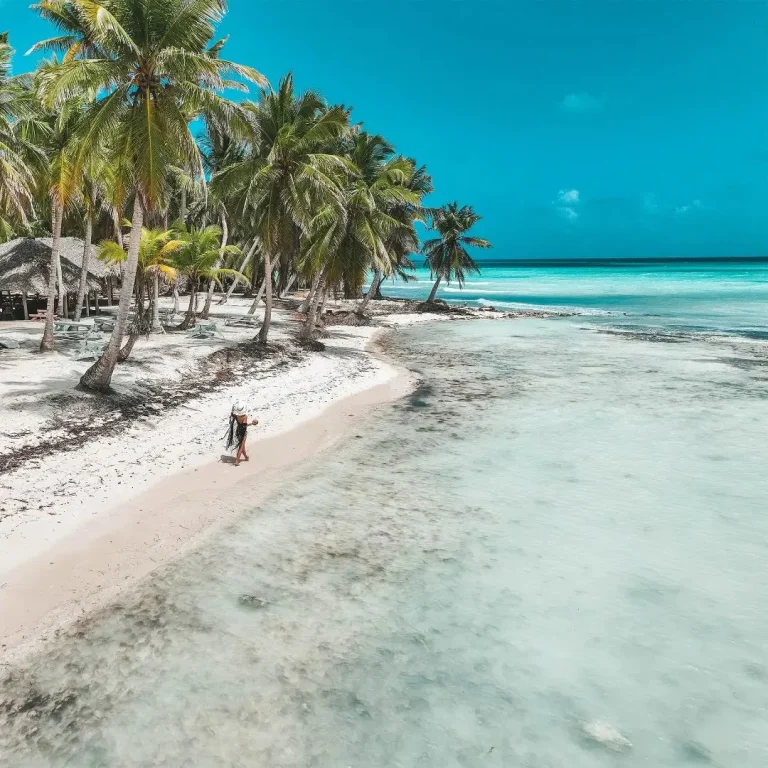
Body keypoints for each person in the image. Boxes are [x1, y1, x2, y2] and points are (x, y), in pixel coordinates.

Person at [226, 401, 259, 467]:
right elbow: (244, 426)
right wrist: (252, 424)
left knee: (242, 446)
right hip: (243, 433)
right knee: (241, 447)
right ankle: (237, 461)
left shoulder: (236, 415)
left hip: (237, 431)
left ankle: (246, 457)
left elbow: (232, 414)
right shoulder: (245, 416)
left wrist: (233, 409)